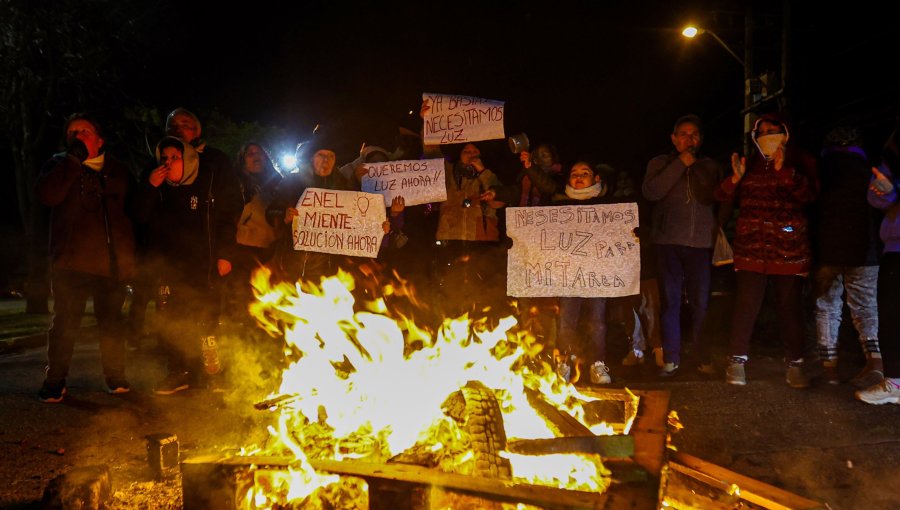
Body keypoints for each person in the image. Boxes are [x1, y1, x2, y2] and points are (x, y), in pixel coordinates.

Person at [135, 112, 243, 395]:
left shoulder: (214, 164)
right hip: (168, 263)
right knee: (172, 319)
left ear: (197, 130)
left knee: (208, 318)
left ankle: (212, 371)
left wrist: (225, 253)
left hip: (205, 260)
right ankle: (178, 370)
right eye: (173, 126)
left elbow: (230, 210)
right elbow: (137, 215)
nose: (178, 130)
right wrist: (150, 187)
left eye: (185, 125)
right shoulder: (156, 171)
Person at [36, 113, 136, 402]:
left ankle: (116, 377)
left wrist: (128, 259)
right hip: (70, 261)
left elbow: (130, 215)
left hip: (110, 263)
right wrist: (71, 161)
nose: (78, 135)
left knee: (112, 323)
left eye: (85, 131)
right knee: (65, 323)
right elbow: (48, 196)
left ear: (100, 140)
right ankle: (55, 381)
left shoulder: (117, 170)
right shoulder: (58, 164)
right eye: (73, 132)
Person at [715, 113, 818, 387]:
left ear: (786, 133)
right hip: (751, 248)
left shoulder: (801, 161)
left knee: (789, 307)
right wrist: (735, 180)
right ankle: (736, 362)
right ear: (755, 136)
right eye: (763, 131)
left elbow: (810, 196)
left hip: (790, 249)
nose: (769, 135)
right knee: (746, 306)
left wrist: (786, 170)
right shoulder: (748, 165)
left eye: (775, 130)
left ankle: (795, 364)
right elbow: (722, 196)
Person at [642, 114, 721, 376]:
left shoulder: (709, 165)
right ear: (674, 139)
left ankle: (703, 356)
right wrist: (680, 164)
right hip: (667, 243)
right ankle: (671, 357)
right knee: (670, 301)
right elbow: (651, 192)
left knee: (701, 302)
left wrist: (693, 166)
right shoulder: (660, 163)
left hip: (700, 244)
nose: (690, 139)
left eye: (695, 134)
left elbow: (715, 196)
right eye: (684, 134)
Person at [811, 126, 882, 387]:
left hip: (828, 251)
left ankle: (829, 369)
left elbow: (813, 209)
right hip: (865, 249)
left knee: (828, 306)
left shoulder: (821, 170)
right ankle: (874, 362)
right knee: (865, 307)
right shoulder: (869, 170)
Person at [553, 162, 617, 384]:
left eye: (585, 173)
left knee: (597, 320)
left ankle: (597, 364)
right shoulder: (557, 206)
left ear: (596, 179)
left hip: (596, 274)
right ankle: (564, 362)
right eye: (574, 174)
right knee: (566, 320)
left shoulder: (608, 206)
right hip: (568, 274)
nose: (579, 177)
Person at [268, 136, 354, 284]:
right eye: (321, 155)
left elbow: (354, 219)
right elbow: (270, 212)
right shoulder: (292, 182)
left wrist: (376, 227)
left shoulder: (343, 185)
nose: (326, 160)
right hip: (293, 261)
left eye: (331, 156)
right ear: (311, 159)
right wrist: (284, 215)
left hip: (330, 265)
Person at [857, 120, 900, 405]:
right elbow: (875, 196)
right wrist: (888, 191)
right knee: (892, 317)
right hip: (896, 248)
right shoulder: (893, 161)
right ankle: (895, 382)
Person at [228, 142, 282, 318]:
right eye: (250, 153)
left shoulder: (277, 183)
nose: (256, 156)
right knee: (245, 296)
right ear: (243, 160)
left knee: (272, 296)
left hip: (272, 247)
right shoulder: (237, 184)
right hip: (244, 248)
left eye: (259, 153)